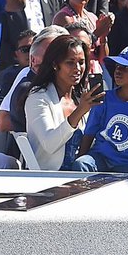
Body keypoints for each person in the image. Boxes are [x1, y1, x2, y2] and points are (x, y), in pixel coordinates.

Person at [73, 45, 128, 173]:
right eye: (117, 66)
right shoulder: (104, 98)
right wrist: (79, 164)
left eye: (125, 67)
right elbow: (89, 133)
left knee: (126, 179)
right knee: (81, 164)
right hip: (100, 158)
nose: (118, 71)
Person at [23, 34, 105, 170]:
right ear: (55, 65)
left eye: (81, 62)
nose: (77, 68)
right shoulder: (38, 98)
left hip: (82, 174)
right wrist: (79, 112)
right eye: (70, 62)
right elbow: (50, 144)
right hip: (49, 176)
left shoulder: (82, 98)